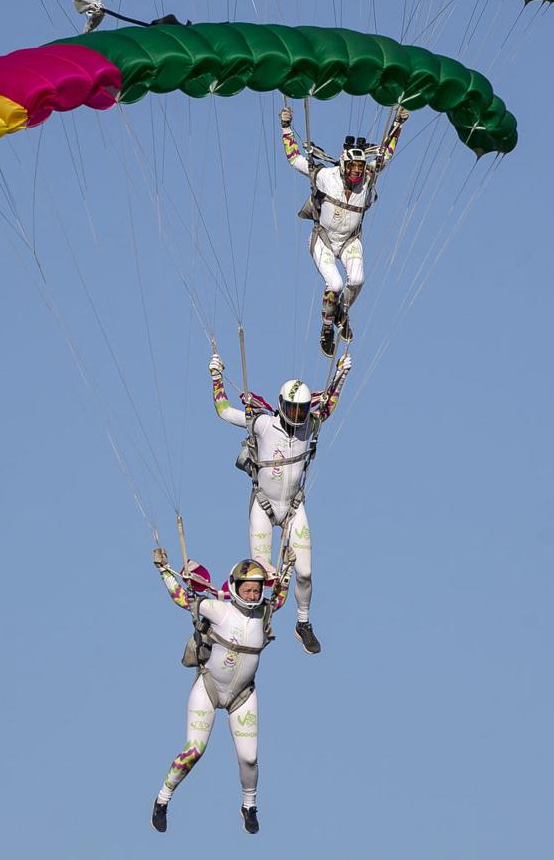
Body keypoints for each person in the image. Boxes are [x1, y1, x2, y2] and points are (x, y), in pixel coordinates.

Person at [208, 351, 351, 654]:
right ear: (281, 405)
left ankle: (303, 622)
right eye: (293, 410)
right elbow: (223, 411)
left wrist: (341, 375)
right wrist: (217, 377)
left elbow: (328, 405)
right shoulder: (262, 424)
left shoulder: (309, 425)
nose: (298, 417)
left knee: (306, 573)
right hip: (264, 505)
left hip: (293, 507)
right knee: (264, 573)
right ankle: (256, 623)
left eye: (302, 411)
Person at [150, 550, 295, 835]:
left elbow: (280, 597)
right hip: (209, 688)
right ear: (236, 588)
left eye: (257, 590)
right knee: (194, 751)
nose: (253, 595)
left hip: (242, 695)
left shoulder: (265, 611)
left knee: (249, 758)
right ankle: (162, 800)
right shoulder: (219, 610)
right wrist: (164, 570)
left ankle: (249, 806)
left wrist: (287, 566)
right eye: (248, 590)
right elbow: (183, 599)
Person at [279, 103, 410, 355]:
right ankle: (327, 328)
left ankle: (342, 312)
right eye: (353, 168)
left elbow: (386, 154)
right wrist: (286, 127)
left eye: (360, 169)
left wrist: (399, 123)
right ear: (343, 166)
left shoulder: (368, 179)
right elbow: (295, 158)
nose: (356, 173)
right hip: (324, 239)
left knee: (358, 279)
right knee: (335, 284)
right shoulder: (326, 176)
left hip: (350, 239)